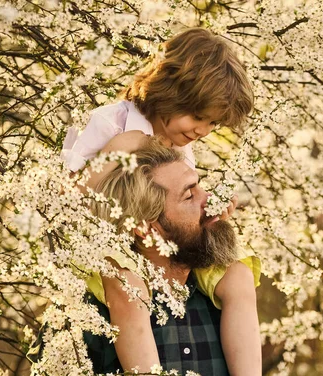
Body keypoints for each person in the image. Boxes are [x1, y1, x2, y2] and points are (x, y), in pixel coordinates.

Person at [61, 28, 261, 375]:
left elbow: (182, 200)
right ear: (171, 91)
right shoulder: (112, 124)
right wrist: (121, 149)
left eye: (213, 123)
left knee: (239, 276)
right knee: (130, 291)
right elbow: (74, 198)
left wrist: (211, 212)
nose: (203, 130)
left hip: (161, 246)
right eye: (199, 117)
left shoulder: (179, 142)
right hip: (112, 247)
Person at [85, 138, 259, 375]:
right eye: (189, 196)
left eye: (200, 186)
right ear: (147, 228)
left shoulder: (226, 300)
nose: (210, 200)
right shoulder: (91, 319)